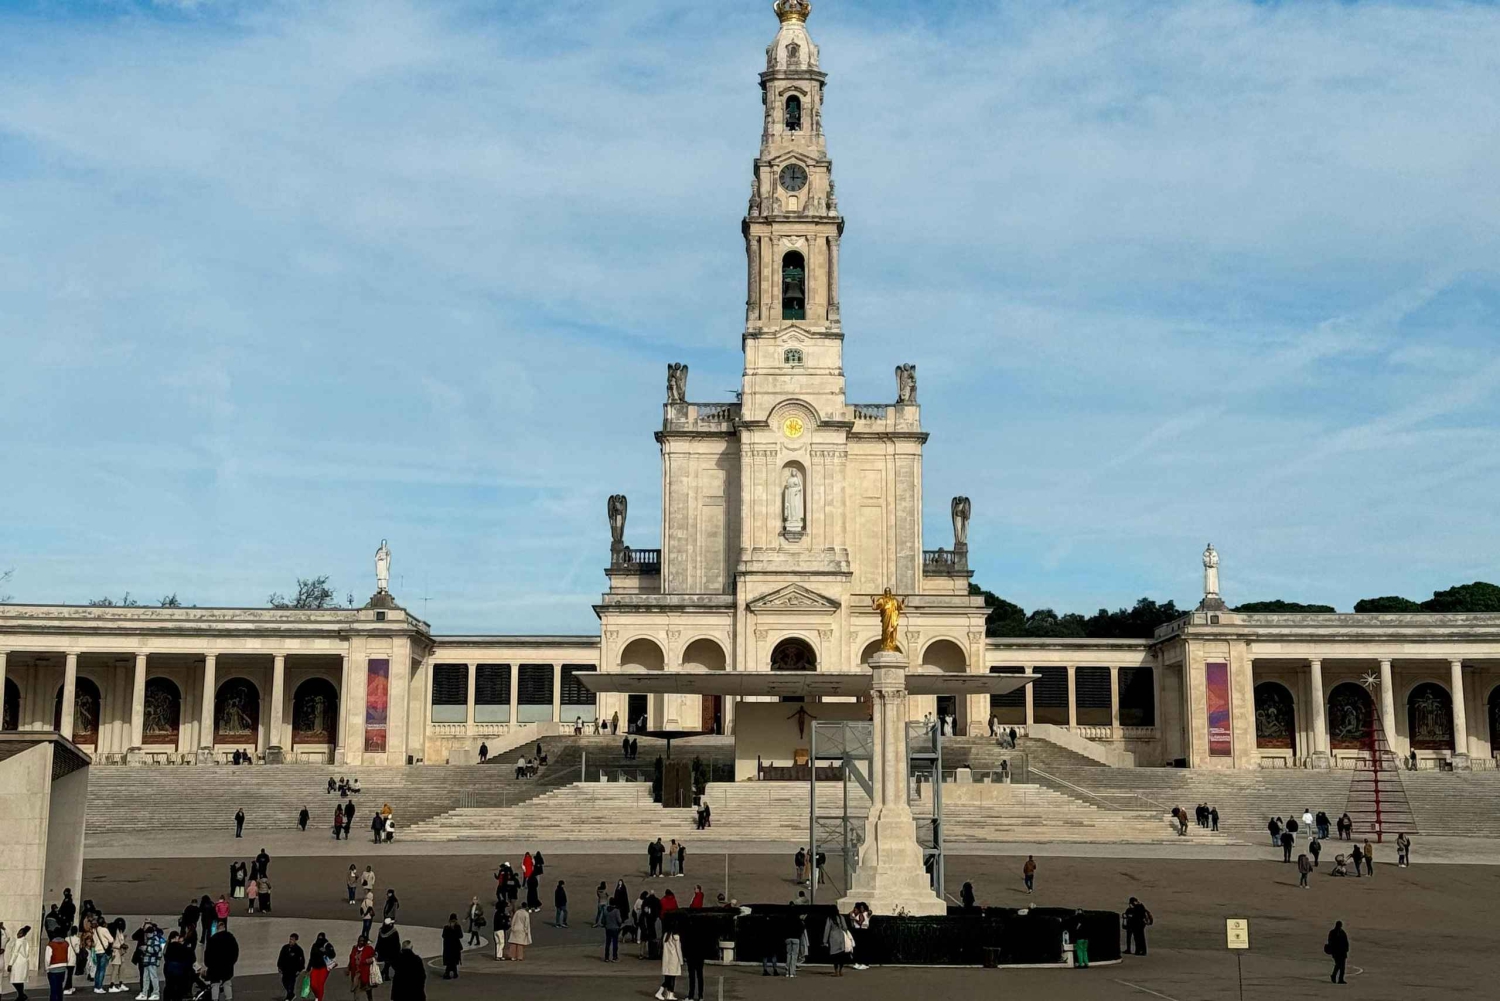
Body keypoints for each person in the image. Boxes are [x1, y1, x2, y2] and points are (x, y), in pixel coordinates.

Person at [202, 926, 237, 1001]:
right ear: (224, 928)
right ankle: (229, 998)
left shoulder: (212, 940)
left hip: (214, 967)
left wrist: (208, 965)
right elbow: (235, 952)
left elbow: (207, 954)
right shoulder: (231, 938)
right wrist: (232, 963)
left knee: (215, 984)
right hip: (227, 966)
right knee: (227, 983)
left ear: (217, 929)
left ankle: (215, 999)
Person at [135, 923, 161, 1001]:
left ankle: (155, 993)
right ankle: (144, 993)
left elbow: (155, 950)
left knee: (153, 978)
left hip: (151, 962)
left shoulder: (154, 940)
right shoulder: (151, 940)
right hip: (147, 961)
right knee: (145, 978)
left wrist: (145, 949)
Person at [305, 935, 334, 1001]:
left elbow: (333, 955)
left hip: (324, 968)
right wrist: (308, 968)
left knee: (320, 984)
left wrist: (325, 951)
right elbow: (311, 957)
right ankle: (317, 996)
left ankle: (319, 999)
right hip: (315, 968)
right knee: (313, 985)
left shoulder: (327, 945)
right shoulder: (314, 945)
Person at [657, 927, 683, 1001]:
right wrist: (681, 961)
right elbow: (678, 949)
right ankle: (669, 994)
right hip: (674, 959)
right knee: (672, 978)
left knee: (668, 978)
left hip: (666, 959)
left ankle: (667, 994)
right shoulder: (676, 937)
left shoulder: (666, 935)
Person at [275, 935, 304, 1001]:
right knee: (284, 981)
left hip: (293, 970)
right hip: (285, 969)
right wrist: (279, 966)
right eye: (290, 939)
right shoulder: (285, 947)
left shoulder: (298, 950)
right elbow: (281, 957)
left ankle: (289, 997)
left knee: (291, 983)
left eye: (292, 939)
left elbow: (302, 960)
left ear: (296, 940)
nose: (290, 941)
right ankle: (291, 994)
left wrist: (299, 969)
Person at [346, 936, 375, 1001]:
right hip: (356, 973)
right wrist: (348, 968)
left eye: (362, 941)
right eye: (360, 940)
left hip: (365, 973)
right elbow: (351, 959)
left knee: (368, 990)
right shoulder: (355, 948)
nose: (361, 942)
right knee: (356, 990)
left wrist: (365, 961)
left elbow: (373, 958)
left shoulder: (368, 948)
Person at [782, 915, 807, 980]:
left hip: (788, 938)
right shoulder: (798, 921)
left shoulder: (786, 920)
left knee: (788, 955)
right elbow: (803, 928)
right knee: (794, 956)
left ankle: (787, 972)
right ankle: (792, 972)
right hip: (796, 938)